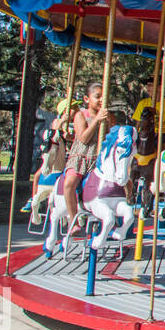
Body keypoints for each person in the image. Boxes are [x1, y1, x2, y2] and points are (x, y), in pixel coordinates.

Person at [62, 85, 111, 229]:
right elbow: (83, 138)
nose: (101, 100)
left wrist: (106, 122)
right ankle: (73, 221)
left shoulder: (105, 117)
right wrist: (97, 121)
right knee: (69, 183)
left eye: (104, 97)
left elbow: (106, 139)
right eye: (97, 96)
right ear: (86, 99)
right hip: (81, 157)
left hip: (97, 159)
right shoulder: (81, 115)